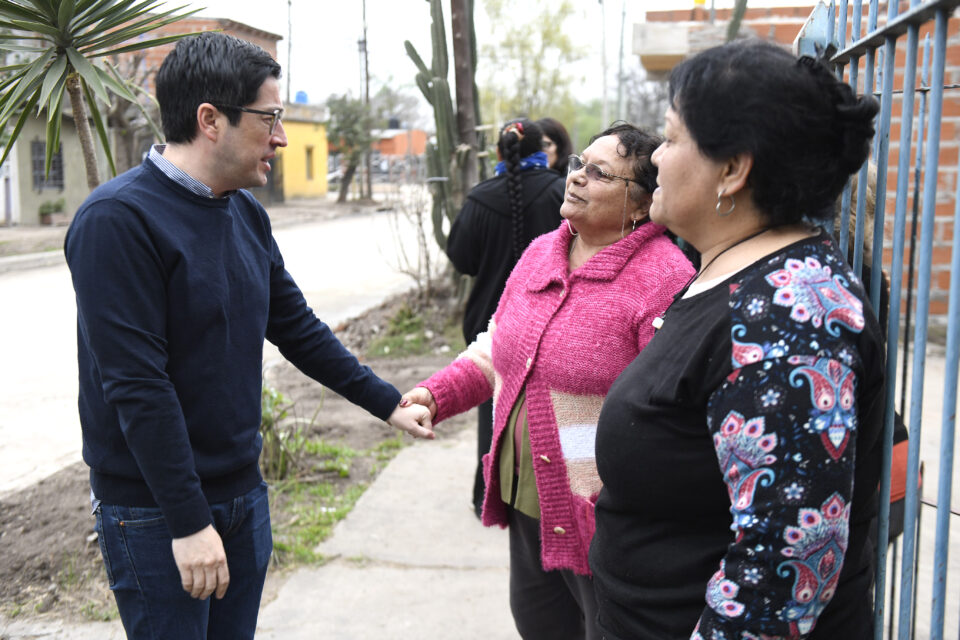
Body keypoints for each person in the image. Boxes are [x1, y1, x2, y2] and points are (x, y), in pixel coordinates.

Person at [64, 33, 433, 640]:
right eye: (270, 119)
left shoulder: (242, 211)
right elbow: (137, 386)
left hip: (242, 497)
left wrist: (386, 402)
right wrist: (186, 522)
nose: (281, 138)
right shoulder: (117, 221)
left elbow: (296, 328)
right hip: (157, 513)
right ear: (210, 120)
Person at [590, 40, 885, 639]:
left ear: (733, 169)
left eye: (670, 139)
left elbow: (781, 574)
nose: (655, 161)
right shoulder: (730, 273)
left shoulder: (789, 319)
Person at [403, 123, 695, 639]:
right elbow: (497, 347)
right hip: (526, 504)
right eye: (578, 163)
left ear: (639, 201)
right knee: (538, 625)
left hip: (604, 521)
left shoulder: (662, 277)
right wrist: (436, 393)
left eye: (599, 172)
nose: (577, 177)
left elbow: (672, 414)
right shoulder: (543, 251)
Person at [446, 118, 564, 517]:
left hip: (489, 324)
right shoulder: (561, 194)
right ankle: (551, 501)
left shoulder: (480, 199)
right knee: (553, 412)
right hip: (553, 320)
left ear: (498, 153)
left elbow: (462, 259)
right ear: (542, 151)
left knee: (493, 410)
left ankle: (490, 496)